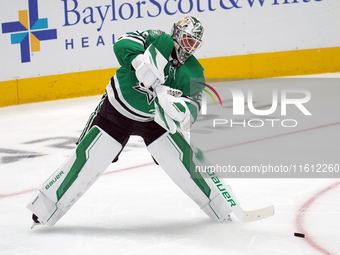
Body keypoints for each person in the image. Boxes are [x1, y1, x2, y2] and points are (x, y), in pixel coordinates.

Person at [27, 16, 233, 228]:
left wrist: (180, 111)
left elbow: (194, 107)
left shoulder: (194, 71)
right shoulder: (158, 39)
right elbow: (123, 43)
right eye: (188, 40)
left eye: (195, 44)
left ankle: (220, 205)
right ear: (177, 34)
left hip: (156, 120)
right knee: (86, 158)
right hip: (115, 111)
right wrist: (138, 61)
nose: (190, 48)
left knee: (183, 159)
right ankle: (45, 208)